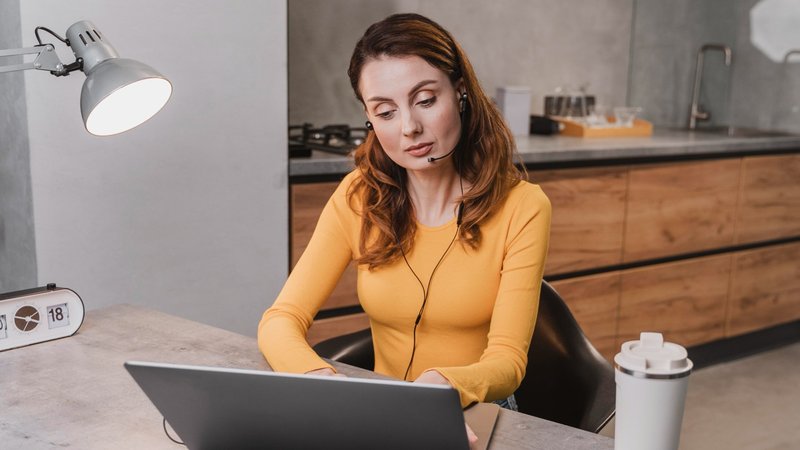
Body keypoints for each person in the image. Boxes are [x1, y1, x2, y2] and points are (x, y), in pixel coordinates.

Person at [258, 12, 550, 417]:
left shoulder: (523, 206)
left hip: (475, 408)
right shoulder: (358, 195)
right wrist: (318, 380)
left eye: (426, 100)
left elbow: (508, 361)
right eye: (385, 111)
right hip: (385, 412)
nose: (409, 127)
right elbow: (280, 319)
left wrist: (443, 384)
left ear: (460, 93)